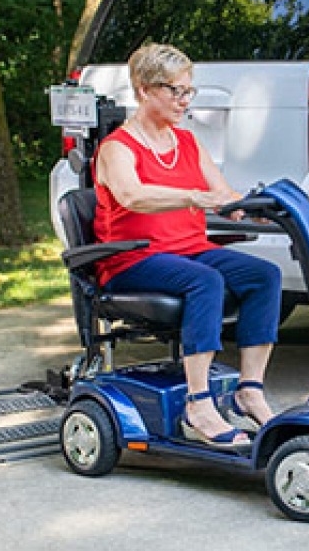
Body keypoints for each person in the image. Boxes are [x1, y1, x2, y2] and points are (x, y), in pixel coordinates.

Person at [92, 43, 282, 449]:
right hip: (133, 257)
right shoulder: (117, 148)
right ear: (144, 90)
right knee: (205, 281)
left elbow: (223, 194)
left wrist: (251, 209)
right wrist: (194, 197)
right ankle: (199, 403)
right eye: (175, 90)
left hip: (187, 248)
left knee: (264, 275)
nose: (184, 100)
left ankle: (250, 391)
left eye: (188, 91)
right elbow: (132, 195)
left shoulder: (187, 143)